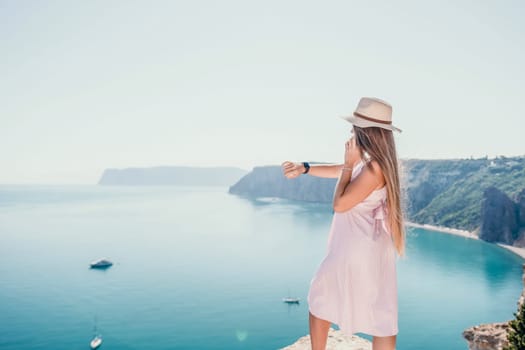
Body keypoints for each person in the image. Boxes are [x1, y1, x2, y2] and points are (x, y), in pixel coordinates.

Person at [281, 97, 406, 350]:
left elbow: (340, 204)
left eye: (354, 127)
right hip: (373, 248)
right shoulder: (378, 164)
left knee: (320, 298)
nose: (351, 132)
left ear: (366, 132)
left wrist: (349, 165)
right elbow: (338, 170)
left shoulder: (372, 168)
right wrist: (304, 167)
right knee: (381, 310)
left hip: (352, 248)